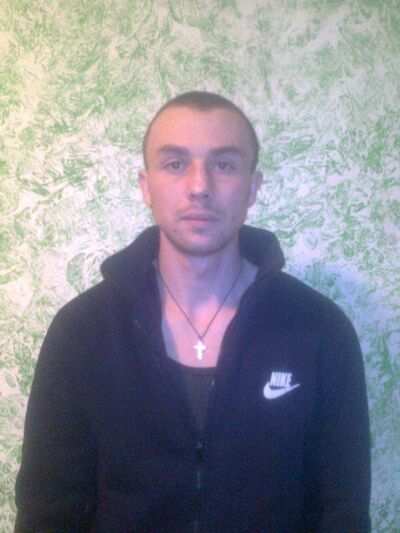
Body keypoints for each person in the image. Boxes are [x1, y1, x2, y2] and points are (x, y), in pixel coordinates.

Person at [15, 91, 371, 532]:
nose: (199, 186)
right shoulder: (82, 332)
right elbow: (48, 510)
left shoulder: (319, 329)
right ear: (146, 186)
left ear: (252, 187)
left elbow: (341, 511)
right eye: (175, 164)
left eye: (223, 164)